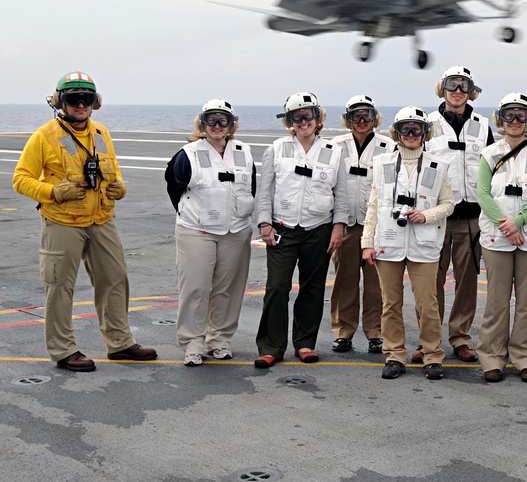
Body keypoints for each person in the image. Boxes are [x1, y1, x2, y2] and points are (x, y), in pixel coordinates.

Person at [12, 72, 157, 372]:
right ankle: (63, 349)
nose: (80, 105)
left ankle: (119, 342)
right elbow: (20, 179)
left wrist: (121, 187)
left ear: (95, 103)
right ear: (59, 102)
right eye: (73, 99)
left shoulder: (101, 133)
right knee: (60, 285)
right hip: (63, 221)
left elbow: (113, 171)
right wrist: (52, 191)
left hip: (101, 219)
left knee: (114, 279)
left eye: (86, 99)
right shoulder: (44, 136)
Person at [254, 92, 348, 368]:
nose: (304, 121)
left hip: (318, 229)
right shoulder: (276, 148)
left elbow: (340, 194)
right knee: (277, 287)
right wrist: (264, 223)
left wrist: (338, 226)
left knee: (313, 288)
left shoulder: (333, 152)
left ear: (317, 117)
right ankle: (271, 347)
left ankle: (305, 344)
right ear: (289, 120)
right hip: (282, 228)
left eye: (308, 115)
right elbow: (265, 191)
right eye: (297, 116)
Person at [361, 107, 455, 380]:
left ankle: (432, 355)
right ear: (397, 132)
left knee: (427, 303)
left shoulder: (438, 165)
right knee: (390, 303)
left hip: (424, 243)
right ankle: (394, 354)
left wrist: (426, 215)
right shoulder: (383, 163)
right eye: (406, 129)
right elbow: (374, 205)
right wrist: (367, 242)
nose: (411, 134)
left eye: (417, 129)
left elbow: (448, 204)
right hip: (388, 241)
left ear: (426, 133)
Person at [165, 100, 255, 366]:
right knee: (195, 288)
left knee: (228, 288)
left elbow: (251, 187)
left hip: (236, 231)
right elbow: (174, 186)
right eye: (211, 120)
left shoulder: (243, 152)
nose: (217, 126)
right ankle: (193, 342)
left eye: (223, 120)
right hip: (197, 231)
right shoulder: (188, 153)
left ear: (231, 124)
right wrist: (192, 214)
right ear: (202, 123)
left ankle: (220, 339)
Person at [477, 93, 527, 382]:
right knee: (497, 300)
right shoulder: (489, 154)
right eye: (509, 114)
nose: (515, 121)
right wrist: (505, 224)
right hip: (497, 237)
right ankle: (492, 357)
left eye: (521, 115)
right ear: (500, 118)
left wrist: (519, 221)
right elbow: (483, 193)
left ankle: (525, 356)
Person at [422, 66, 494, 364]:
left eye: (464, 86)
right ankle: (430, 340)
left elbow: (493, 170)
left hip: (471, 217)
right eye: (452, 84)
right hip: (435, 217)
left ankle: (461, 337)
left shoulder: (482, 125)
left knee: (467, 280)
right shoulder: (427, 123)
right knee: (431, 280)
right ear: (443, 88)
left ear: (471, 91)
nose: (458, 91)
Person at [329, 95, 393, 355]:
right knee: (345, 280)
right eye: (356, 115)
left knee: (376, 283)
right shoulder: (335, 146)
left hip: (375, 226)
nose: (362, 120)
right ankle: (343, 332)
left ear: (375, 117)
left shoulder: (388, 146)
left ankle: (376, 332)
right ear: (348, 119)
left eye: (367, 114)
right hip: (345, 224)